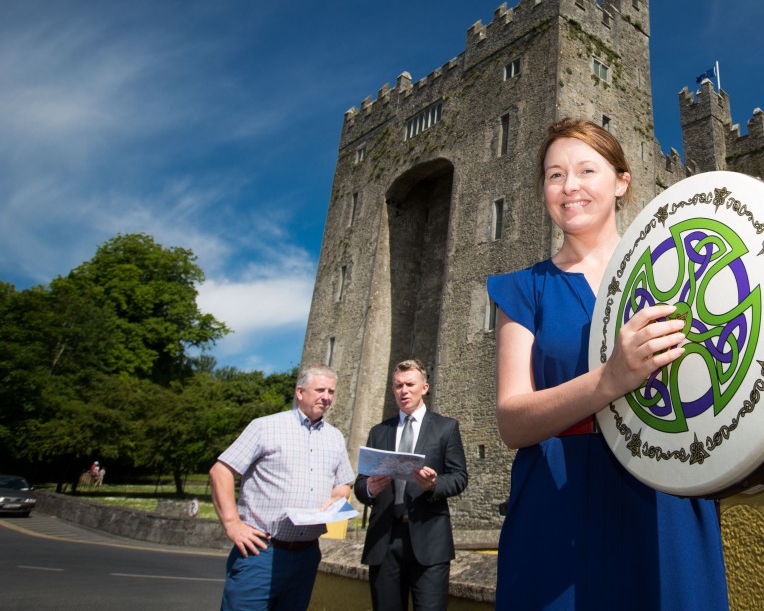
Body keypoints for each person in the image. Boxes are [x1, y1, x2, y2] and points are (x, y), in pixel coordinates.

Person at [487, 118, 730, 610]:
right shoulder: (523, 290)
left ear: (622, 182)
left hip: (667, 499)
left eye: (585, 170)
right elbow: (512, 420)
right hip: (556, 510)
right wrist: (609, 380)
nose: (569, 186)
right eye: (555, 175)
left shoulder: (681, 269)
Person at [210, 364, 354, 611]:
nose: (327, 397)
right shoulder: (265, 426)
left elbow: (343, 484)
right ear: (300, 392)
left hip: (306, 555)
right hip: (262, 553)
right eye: (320, 390)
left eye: (331, 391)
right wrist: (233, 524)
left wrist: (337, 497)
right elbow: (221, 471)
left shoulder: (335, 437)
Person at [354, 359, 468, 611]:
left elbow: (459, 477)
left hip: (429, 540)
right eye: (397, 386)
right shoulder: (379, 432)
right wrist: (370, 488)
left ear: (424, 387)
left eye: (409, 384)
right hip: (384, 540)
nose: (403, 390)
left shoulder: (445, 428)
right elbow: (360, 485)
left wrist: (435, 484)